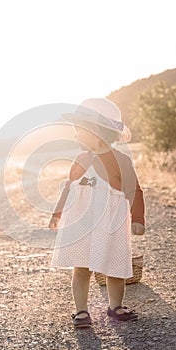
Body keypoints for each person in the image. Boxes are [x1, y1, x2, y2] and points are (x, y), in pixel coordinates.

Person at [48, 98, 145, 327]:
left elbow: (135, 190)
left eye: (77, 129)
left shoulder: (120, 160)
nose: (74, 135)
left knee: (116, 265)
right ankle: (81, 311)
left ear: (96, 131)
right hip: (82, 223)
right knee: (81, 267)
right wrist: (57, 213)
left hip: (111, 222)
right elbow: (69, 187)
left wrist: (138, 218)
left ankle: (115, 306)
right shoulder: (80, 159)